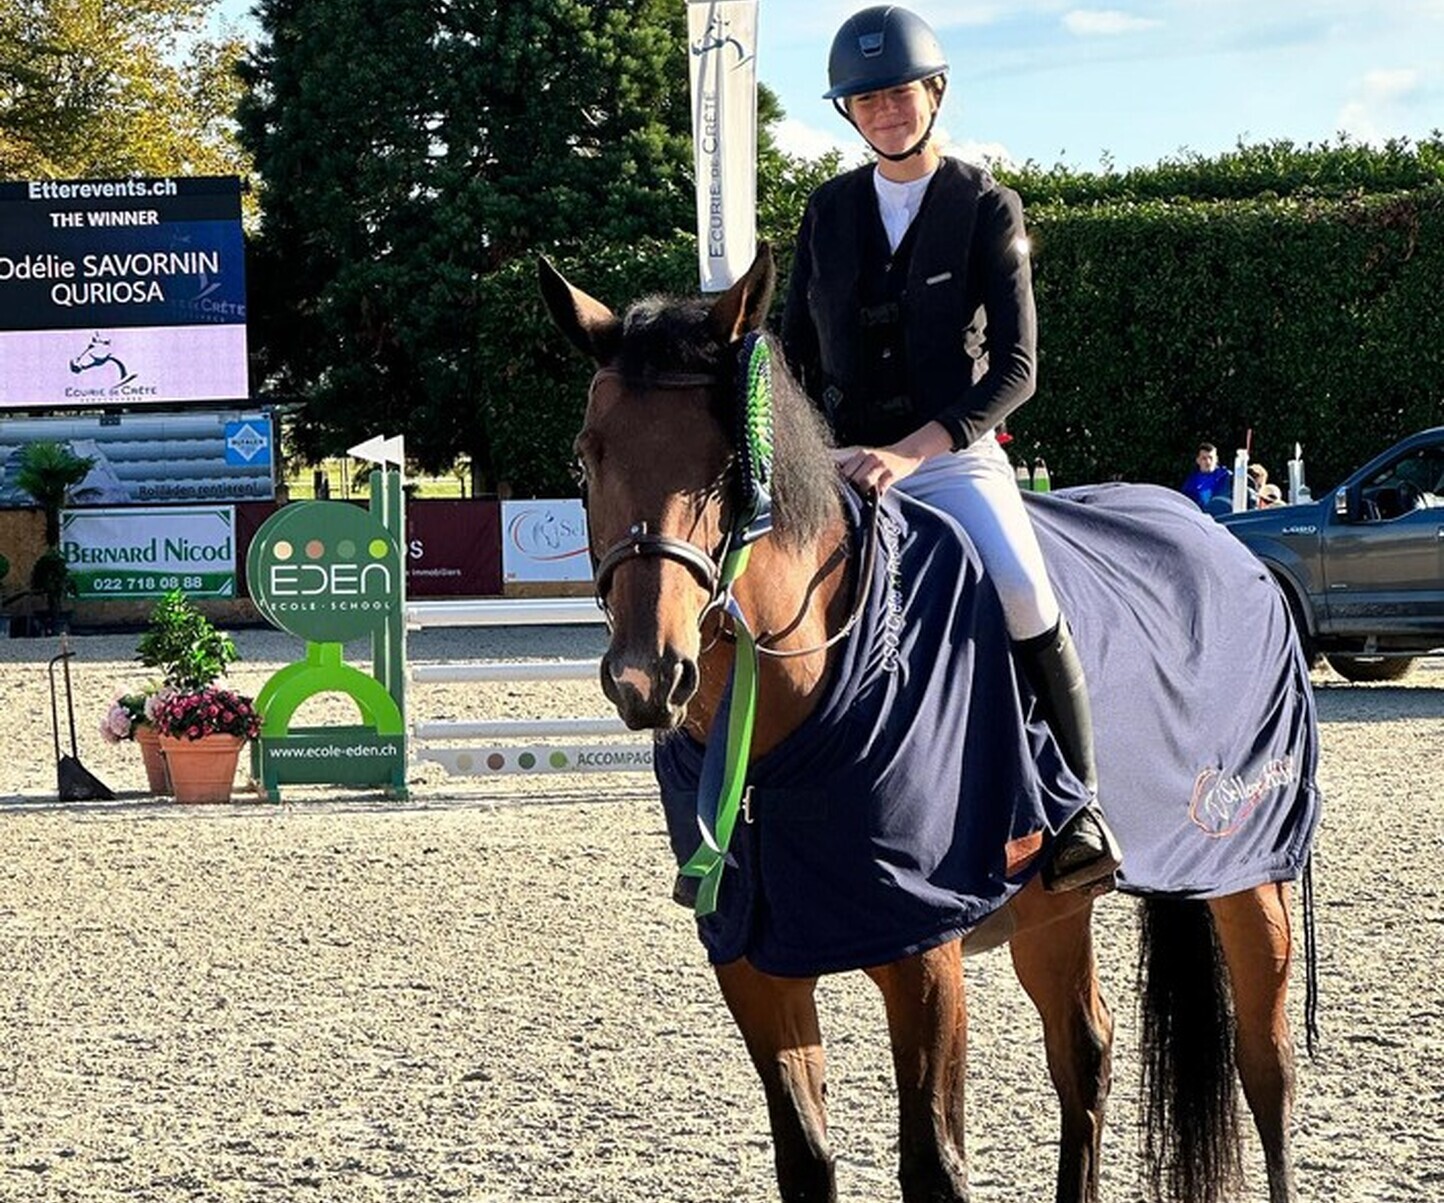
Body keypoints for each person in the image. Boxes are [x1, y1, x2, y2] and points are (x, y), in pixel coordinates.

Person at [781, 4, 1120, 894]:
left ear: (934, 94)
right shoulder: (826, 212)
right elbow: (792, 358)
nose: (885, 111)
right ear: (847, 114)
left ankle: (1081, 803)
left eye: (899, 93)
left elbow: (1016, 367)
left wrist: (911, 453)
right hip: (843, 458)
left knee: (1018, 584)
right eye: (866, 99)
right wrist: (816, 453)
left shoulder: (984, 205)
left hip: (953, 454)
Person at [1182, 443, 1232, 510]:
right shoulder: (1190, 484)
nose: (1208, 462)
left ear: (1216, 459)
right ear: (1198, 460)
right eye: (1204, 458)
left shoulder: (1227, 477)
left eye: (1211, 458)